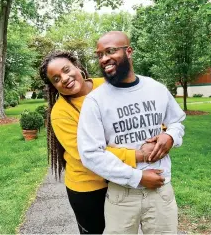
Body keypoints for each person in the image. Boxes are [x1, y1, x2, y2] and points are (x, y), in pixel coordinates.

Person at [39, 50, 168, 234]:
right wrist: (139, 155)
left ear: (77, 66)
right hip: (90, 188)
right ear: (54, 86)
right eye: (56, 79)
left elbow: (138, 111)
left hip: (120, 179)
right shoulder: (61, 114)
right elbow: (88, 154)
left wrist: (162, 133)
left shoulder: (108, 85)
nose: (65, 78)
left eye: (67, 70)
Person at [77, 31, 186, 234]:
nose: (104, 59)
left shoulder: (156, 89)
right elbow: (90, 154)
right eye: (99, 54)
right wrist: (137, 177)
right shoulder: (95, 101)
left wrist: (170, 136)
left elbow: (177, 122)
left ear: (128, 51)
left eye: (110, 51)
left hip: (160, 191)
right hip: (122, 195)